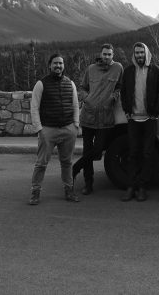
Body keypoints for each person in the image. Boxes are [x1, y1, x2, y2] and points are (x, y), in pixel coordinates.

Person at [28, 54, 80, 205]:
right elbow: (34, 107)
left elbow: (76, 105)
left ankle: (69, 190)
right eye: (55, 63)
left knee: (67, 162)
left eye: (61, 63)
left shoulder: (70, 83)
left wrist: (75, 125)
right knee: (41, 163)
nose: (58, 66)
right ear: (50, 65)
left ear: (64, 66)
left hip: (68, 129)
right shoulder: (41, 84)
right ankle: (35, 192)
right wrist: (39, 129)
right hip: (48, 130)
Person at [73, 43, 123, 195]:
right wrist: (87, 99)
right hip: (88, 116)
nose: (106, 57)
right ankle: (88, 183)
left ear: (113, 55)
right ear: (100, 54)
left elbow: (120, 87)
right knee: (88, 149)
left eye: (109, 54)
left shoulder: (118, 68)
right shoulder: (91, 69)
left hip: (106, 117)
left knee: (98, 149)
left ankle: (75, 168)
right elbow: (82, 87)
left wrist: (113, 98)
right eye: (104, 54)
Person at [119, 42, 159, 202]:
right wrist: (126, 111)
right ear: (134, 54)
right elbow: (123, 92)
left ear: (147, 54)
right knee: (133, 153)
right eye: (137, 53)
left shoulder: (155, 71)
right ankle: (131, 187)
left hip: (149, 119)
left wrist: (156, 112)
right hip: (133, 119)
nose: (139, 55)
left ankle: (142, 187)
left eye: (141, 53)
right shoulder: (129, 71)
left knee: (147, 153)